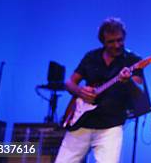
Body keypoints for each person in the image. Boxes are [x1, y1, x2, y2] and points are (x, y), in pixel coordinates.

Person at [55, 18, 145, 163]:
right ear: (103, 42)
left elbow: (138, 87)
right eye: (111, 42)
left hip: (111, 126)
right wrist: (80, 92)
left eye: (120, 40)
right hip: (82, 123)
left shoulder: (132, 60)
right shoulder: (91, 57)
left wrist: (127, 80)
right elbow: (70, 82)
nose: (117, 45)